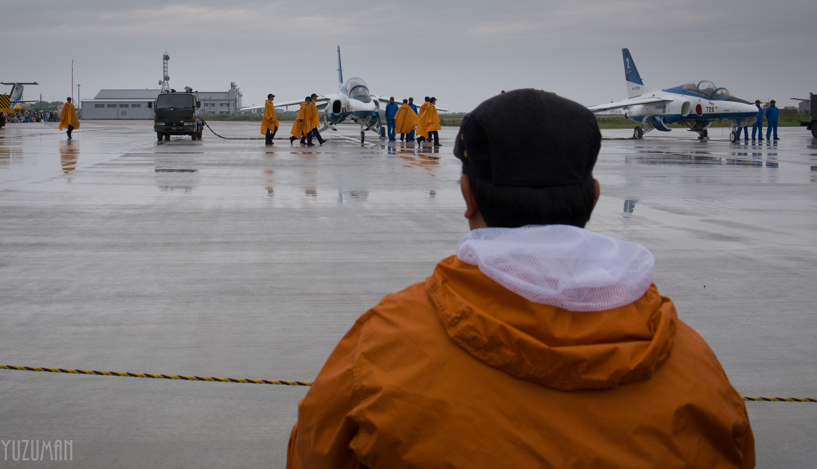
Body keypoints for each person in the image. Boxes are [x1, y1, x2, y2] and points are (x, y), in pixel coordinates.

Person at [287, 89, 754, 469]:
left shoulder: (381, 344)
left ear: (467, 195)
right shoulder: (697, 367)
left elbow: (312, 453)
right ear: (593, 198)